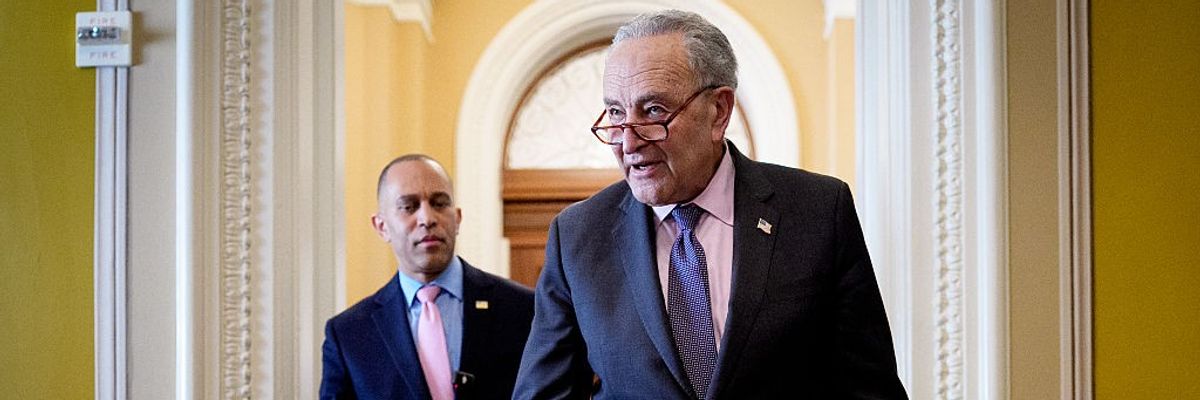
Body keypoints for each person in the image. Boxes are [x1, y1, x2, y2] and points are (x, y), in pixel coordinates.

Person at [513, 10, 907, 399]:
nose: (628, 142)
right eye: (616, 112)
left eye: (654, 111)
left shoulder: (818, 212)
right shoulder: (579, 237)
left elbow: (870, 389)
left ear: (719, 111)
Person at [321, 154, 534, 400]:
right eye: (409, 206)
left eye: (440, 203)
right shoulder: (350, 335)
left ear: (458, 218)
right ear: (382, 226)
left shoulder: (522, 309)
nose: (427, 218)